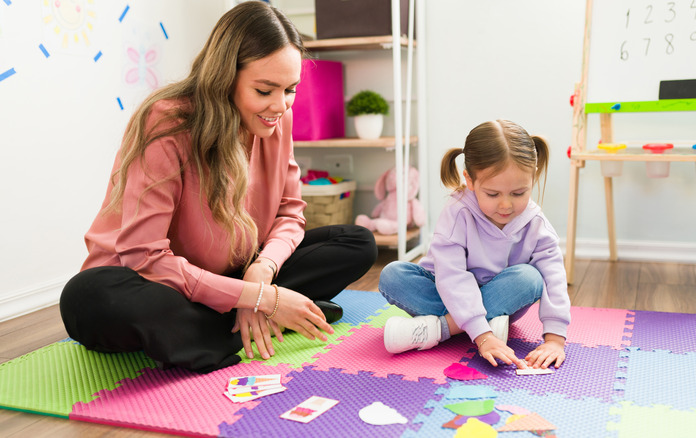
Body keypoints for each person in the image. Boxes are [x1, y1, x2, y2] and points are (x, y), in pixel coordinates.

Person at [59, 1, 377, 374]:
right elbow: (143, 257)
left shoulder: (279, 119)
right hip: (154, 280)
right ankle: (259, 316)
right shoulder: (166, 123)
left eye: (290, 89)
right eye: (264, 90)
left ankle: (223, 323)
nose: (280, 105)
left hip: (234, 271)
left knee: (356, 242)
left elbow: (291, 212)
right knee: (86, 296)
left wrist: (262, 272)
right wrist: (262, 298)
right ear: (225, 77)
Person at [379, 120, 570, 369]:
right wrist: (483, 335)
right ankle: (476, 325)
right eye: (493, 194)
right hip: (447, 292)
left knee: (530, 278)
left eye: (518, 193)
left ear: (532, 179)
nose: (506, 205)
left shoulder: (535, 223)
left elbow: (553, 277)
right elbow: (452, 277)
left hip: (500, 295)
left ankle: (440, 329)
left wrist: (555, 339)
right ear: (469, 180)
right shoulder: (458, 212)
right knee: (392, 275)